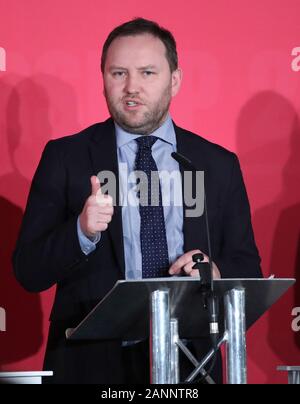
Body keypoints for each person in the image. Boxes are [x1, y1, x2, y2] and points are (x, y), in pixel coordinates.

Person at [13, 18, 262, 384]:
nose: (131, 87)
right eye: (118, 73)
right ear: (102, 79)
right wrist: (80, 232)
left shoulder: (216, 164)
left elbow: (249, 270)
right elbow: (28, 271)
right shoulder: (66, 157)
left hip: (189, 364)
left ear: (174, 80)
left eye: (147, 72)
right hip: (91, 365)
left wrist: (215, 273)